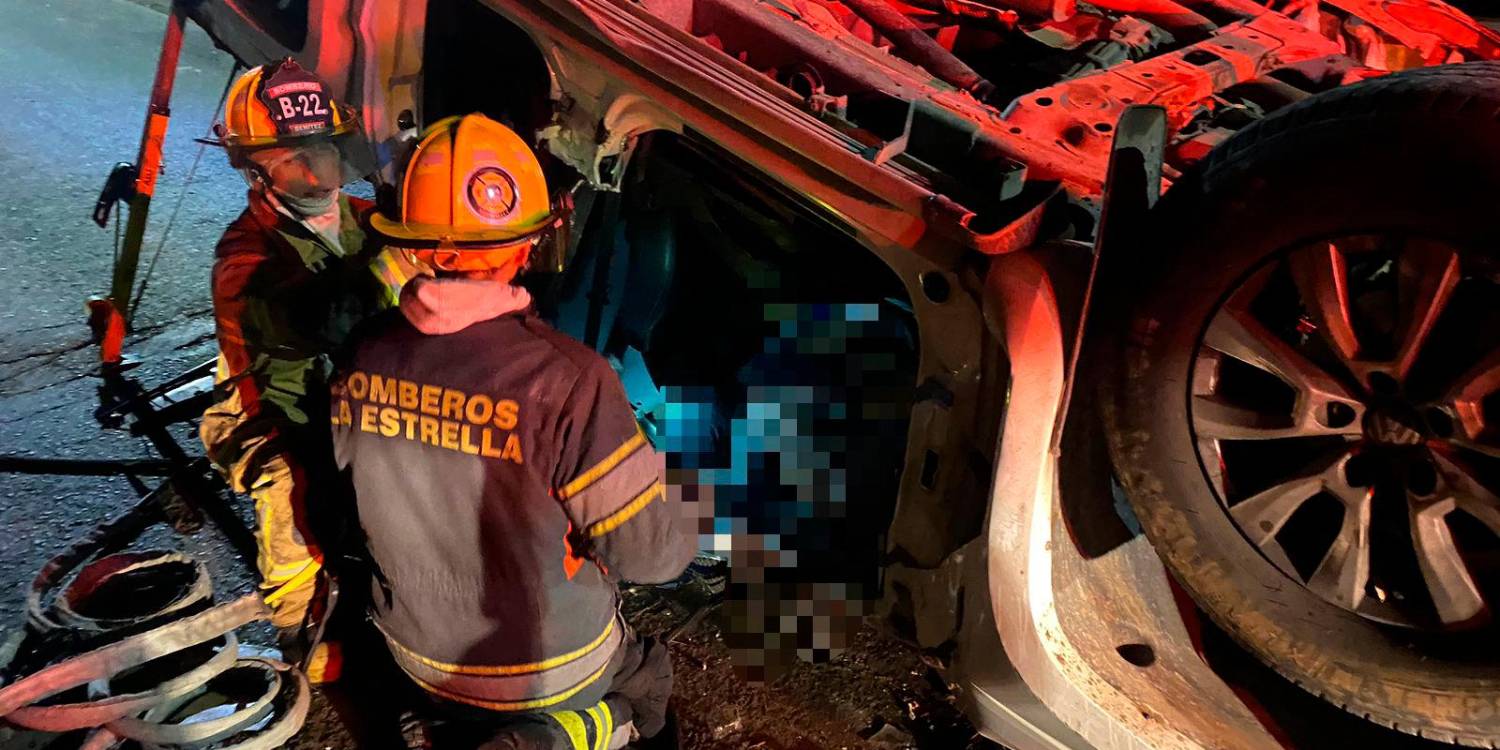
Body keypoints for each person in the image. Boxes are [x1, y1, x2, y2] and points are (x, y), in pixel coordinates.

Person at [329, 113, 696, 749]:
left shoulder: (363, 354)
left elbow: (347, 503)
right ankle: (554, 737)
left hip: (414, 654)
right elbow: (652, 558)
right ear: (529, 244)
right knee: (650, 683)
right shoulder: (570, 381)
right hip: (545, 667)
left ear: (416, 247)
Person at [199, 57, 419, 672]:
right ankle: (305, 631)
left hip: (358, 395)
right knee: (292, 499)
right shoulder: (243, 258)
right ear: (255, 169)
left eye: (321, 148)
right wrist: (390, 270)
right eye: (292, 157)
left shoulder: (361, 218)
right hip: (272, 411)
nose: (315, 169)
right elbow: (311, 323)